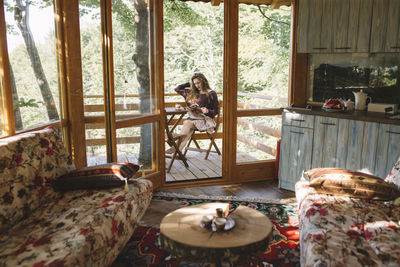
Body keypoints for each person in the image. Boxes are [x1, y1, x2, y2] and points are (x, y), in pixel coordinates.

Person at [166, 73, 219, 154]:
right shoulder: (190, 93)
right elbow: (177, 89)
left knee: (187, 123)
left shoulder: (211, 93)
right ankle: (178, 150)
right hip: (193, 119)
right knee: (188, 126)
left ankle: (175, 144)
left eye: (198, 82)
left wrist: (207, 111)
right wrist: (190, 83)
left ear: (203, 81)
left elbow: (216, 111)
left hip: (206, 120)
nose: (197, 85)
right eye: (195, 83)